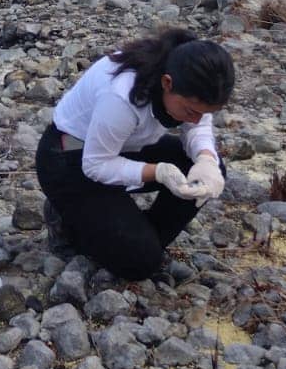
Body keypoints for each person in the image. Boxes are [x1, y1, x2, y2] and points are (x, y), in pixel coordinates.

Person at [35, 29, 233, 280]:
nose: (195, 119)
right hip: (69, 156)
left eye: (203, 112)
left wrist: (206, 158)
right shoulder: (122, 95)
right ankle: (68, 219)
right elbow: (96, 164)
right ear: (167, 83)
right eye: (190, 110)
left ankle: (138, 236)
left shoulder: (187, 73)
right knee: (138, 264)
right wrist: (158, 172)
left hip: (125, 145)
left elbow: (198, 125)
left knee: (205, 169)